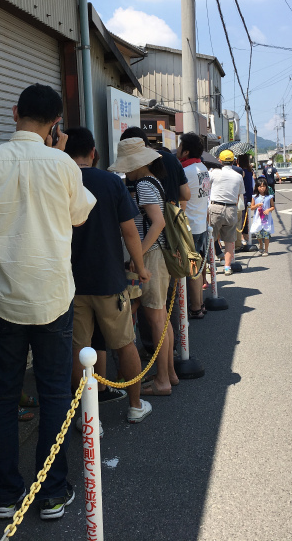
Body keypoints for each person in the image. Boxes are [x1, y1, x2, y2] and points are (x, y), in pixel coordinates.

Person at [0, 84, 96, 521]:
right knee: (55, 393)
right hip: (53, 296)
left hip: (1, 300)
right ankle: (53, 492)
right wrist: (56, 150)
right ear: (56, 122)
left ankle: (5, 494)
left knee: (3, 395)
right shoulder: (62, 164)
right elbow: (79, 216)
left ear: (14, 112)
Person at [64, 127, 153, 423]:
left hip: (71, 283)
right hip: (109, 280)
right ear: (93, 153)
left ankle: (87, 418)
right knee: (125, 343)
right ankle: (135, 406)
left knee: (79, 350)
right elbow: (129, 231)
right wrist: (140, 269)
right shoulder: (110, 183)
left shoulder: (60, 182)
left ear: (65, 151)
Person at [109, 138, 177, 397]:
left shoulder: (145, 185)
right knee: (162, 318)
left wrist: (139, 256)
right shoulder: (153, 182)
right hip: (159, 256)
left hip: (152, 256)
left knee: (156, 319)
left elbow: (157, 223)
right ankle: (168, 373)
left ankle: (162, 381)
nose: (126, 171)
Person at [177, 133, 210, 319]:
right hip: (201, 224)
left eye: (180, 146)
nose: (177, 149)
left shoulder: (185, 171)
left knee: (191, 270)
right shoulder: (202, 167)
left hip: (189, 226)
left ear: (186, 151)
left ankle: (196, 308)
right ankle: (200, 304)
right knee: (196, 269)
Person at [121, 126, 191, 207]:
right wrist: (169, 199)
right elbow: (186, 195)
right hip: (172, 216)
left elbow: (133, 200)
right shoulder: (173, 159)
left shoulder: (137, 166)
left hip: (150, 218)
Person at [208, 150, 244, 277]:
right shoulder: (238, 176)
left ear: (220, 160)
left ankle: (211, 266)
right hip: (231, 208)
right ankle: (227, 267)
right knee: (229, 240)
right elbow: (239, 195)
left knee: (211, 238)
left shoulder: (213, 173)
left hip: (215, 206)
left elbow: (206, 188)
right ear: (233, 161)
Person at [250, 178, 276, 256]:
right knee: (258, 234)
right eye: (260, 186)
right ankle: (260, 244)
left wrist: (268, 210)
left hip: (266, 220)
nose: (262, 188)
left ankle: (266, 250)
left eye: (264, 186)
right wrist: (257, 205)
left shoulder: (269, 196)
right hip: (258, 219)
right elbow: (251, 207)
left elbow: (273, 206)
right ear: (257, 187)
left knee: (266, 235)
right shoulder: (254, 197)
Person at [236, 154, 255, 252]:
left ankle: (243, 238)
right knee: (246, 217)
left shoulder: (240, 172)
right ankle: (247, 236)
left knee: (242, 217)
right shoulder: (249, 171)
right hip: (249, 195)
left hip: (242, 196)